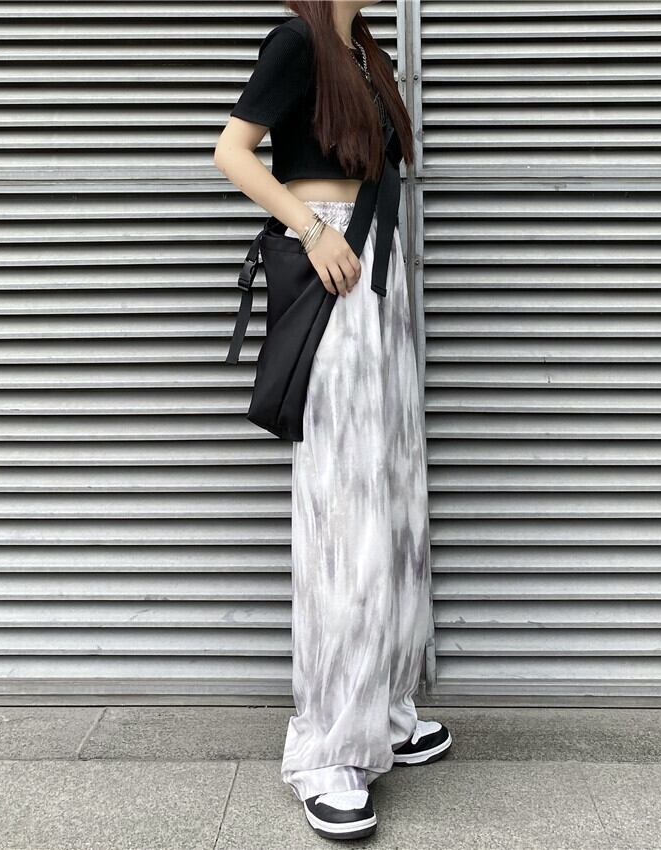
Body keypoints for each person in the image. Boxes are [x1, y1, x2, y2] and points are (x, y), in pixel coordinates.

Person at [214, 0, 452, 840]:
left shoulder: (360, 50)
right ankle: (328, 749)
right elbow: (231, 151)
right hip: (337, 268)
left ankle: (381, 709)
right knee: (344, 508)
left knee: (392, 498)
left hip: (378, 275)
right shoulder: (298, 42)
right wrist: (311, 229)